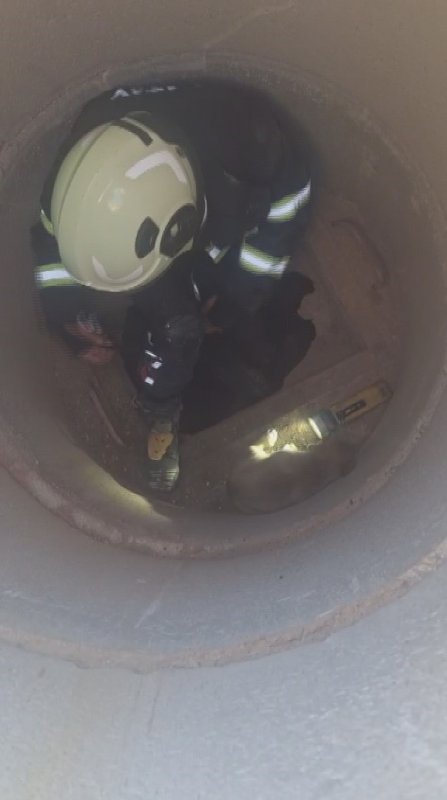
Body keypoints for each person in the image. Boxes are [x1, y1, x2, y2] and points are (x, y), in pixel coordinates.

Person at [32, 80, 313, 491]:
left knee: (184, 322)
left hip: (209, 221)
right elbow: (49, 244)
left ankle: (163, 395)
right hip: (174, 219)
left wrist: (237, 299)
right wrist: (67, 315)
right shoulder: (83, 168)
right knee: (176, 324)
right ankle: (161, 402)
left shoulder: (256, 156)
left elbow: (279, 228)